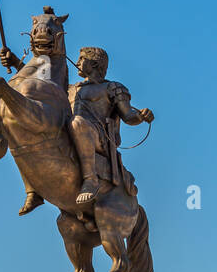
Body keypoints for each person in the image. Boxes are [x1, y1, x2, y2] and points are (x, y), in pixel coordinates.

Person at [66, 46, 154, 208]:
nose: (77, 63)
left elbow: (128, 116)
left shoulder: (112, 87)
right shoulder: (71, 89)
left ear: (93, 64)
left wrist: (141, 116)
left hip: (98, 138)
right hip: (72, 132)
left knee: (77, 122)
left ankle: (90, 179)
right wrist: (16, 63)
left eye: (81, 59)